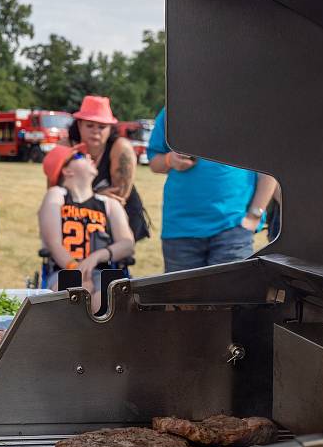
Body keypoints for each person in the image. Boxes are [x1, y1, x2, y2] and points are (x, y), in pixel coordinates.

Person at [148, 107, 278, 272]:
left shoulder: (248, 108)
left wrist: (254, 214)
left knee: (228, 296)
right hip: (180, 228)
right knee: (182, 297)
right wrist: (169, 159)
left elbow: (271, 164)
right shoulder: (174, 109)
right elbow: (154, 162)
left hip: (233, 227)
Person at [38, 144, 135, 312]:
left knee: (106, 301)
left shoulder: (109, 203)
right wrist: (77, 271)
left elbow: (127, 243)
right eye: (79, 155)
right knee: (72, 297)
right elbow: (53, 243)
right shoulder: (57, 195)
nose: (88, 156)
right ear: (67, 171)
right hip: (64, 269)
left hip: (102, 271)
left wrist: (96, 257)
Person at [66, 96, 150, 243]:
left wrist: (82, 197)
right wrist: (98, 195)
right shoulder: (66, 147)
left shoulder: (121, 148)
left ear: (110, 128)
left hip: (118, 220)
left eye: (102, 127)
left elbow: (119, 198)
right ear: (79, 125)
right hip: (75, 221)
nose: (96, 132)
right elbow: (56, 192)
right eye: (90, 125)